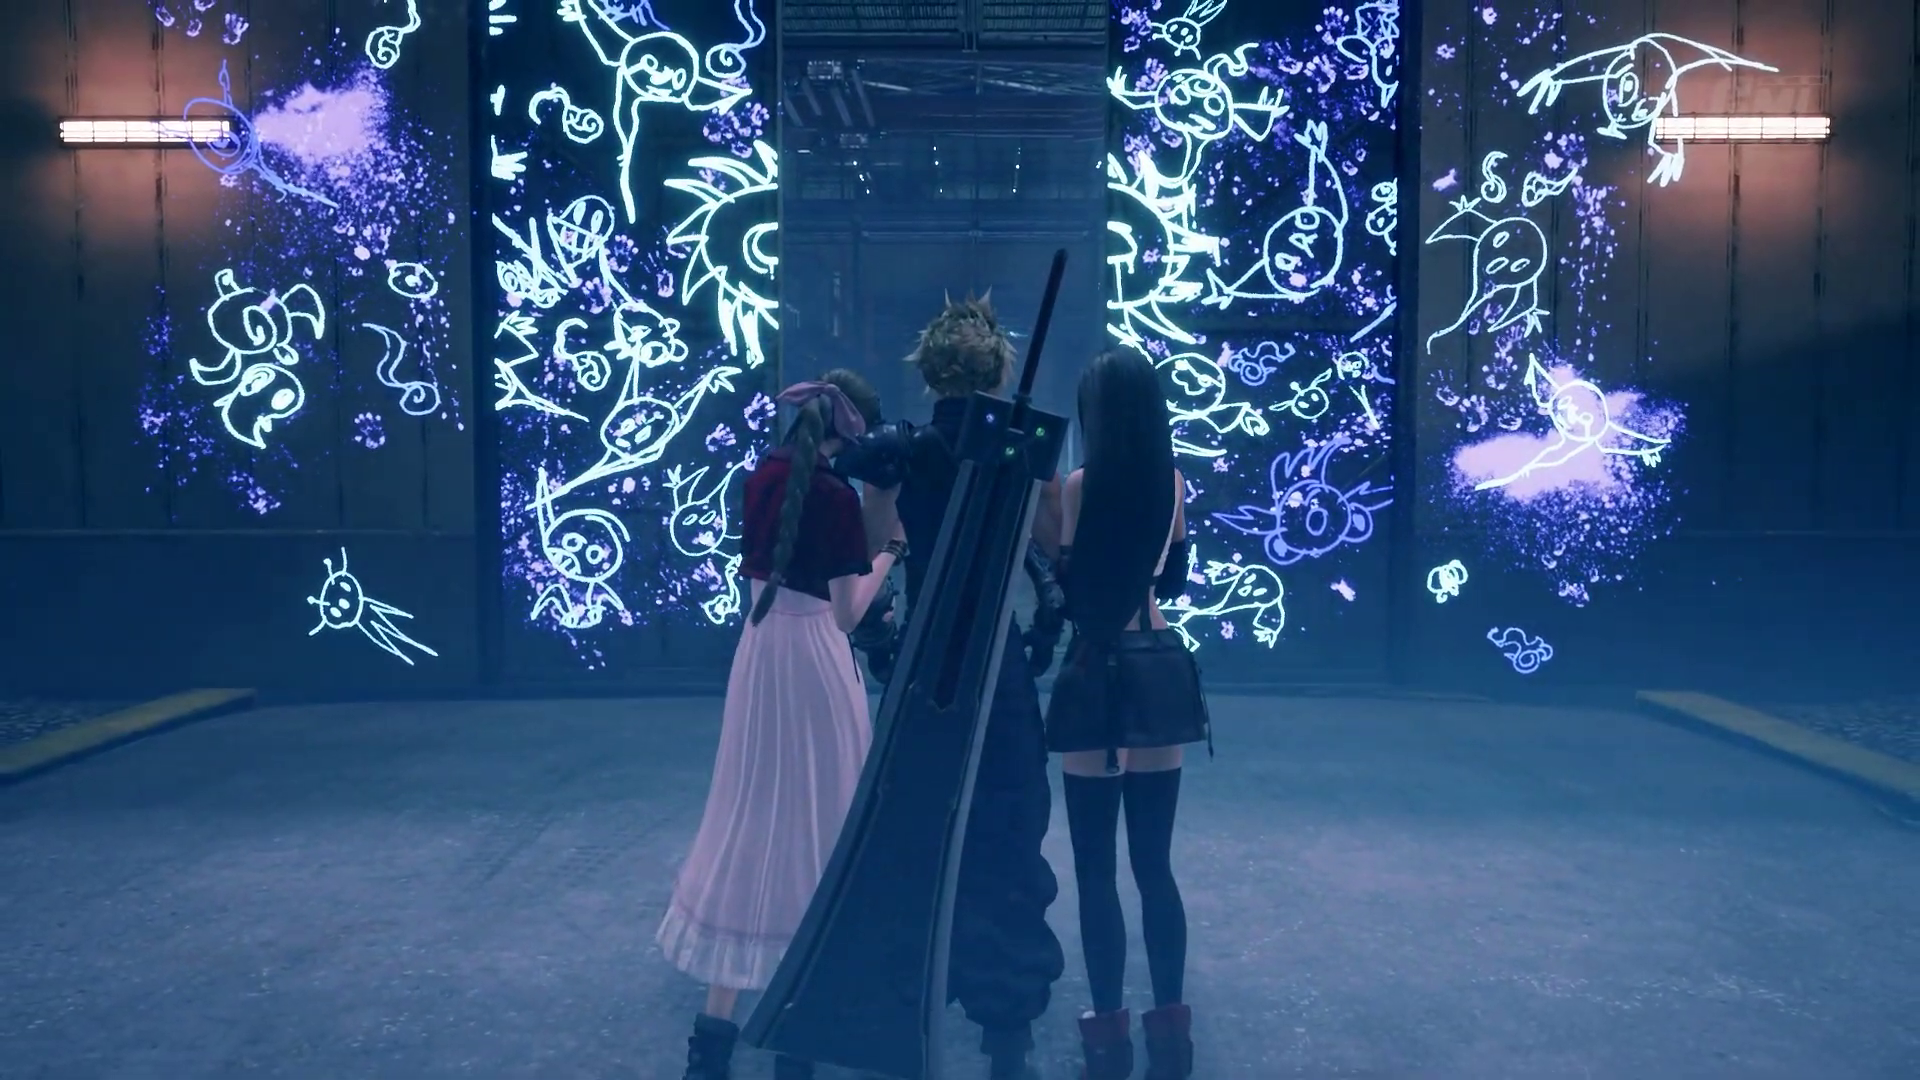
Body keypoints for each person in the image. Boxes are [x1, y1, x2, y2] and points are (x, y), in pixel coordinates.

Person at [657, 370, 904, 1080]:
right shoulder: (835, 497)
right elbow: (847, 614)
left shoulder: (760, 478)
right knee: (821, 831)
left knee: (754, 816)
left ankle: (713, 1040)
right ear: (852, 433)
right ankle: (799, 1039)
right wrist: (891, 552)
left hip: (761, 658)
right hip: (816, 663)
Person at [883, 294, 1067, 1080]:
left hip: (927, 665)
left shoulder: (910, 450)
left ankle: (911, 1000)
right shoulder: (1021, 447)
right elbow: (1053, 544)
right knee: (1009, 833)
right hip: (995, 666)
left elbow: (879, 542)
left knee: (913, 833)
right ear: (997, 372)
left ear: (931, 374)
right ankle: (1007, 1029)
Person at [1048, 347, 1208, 1080]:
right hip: (1157, 662)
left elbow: (1074, 589)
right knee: (1154, 866)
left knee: (1095, 870)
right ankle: (1172, 1040)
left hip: (1097, 667)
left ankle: (1107, 1043)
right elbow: (1173, 580)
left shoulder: (1079, 486)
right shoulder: (1173, 480)